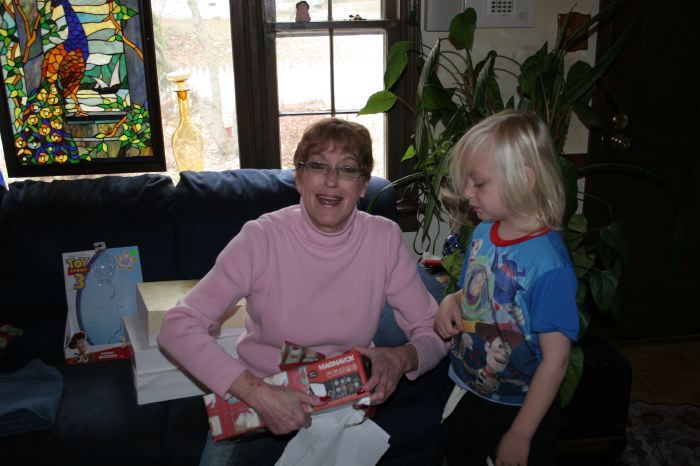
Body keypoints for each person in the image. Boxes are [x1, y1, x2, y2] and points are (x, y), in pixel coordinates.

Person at [158, 118, 448, 466]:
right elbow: (177, 326)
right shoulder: (261, 239)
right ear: (299, 178)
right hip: (260, 402)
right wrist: (258, 393)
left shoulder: (383, 238)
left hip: (343, 409)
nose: (331, 180)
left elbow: (434, 330)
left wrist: (403, 358)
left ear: (362, 185)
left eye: (347, 169)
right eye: (318, 166)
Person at [434, 110, 579, 466]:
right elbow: (477, 295)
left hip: (522, 410)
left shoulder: (549, 266)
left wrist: (521, 433)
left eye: (479, 183)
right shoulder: (483, 233)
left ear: (524, 179)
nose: (467, 193)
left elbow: (557, 360)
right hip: (472, 391)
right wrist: (452, 301)